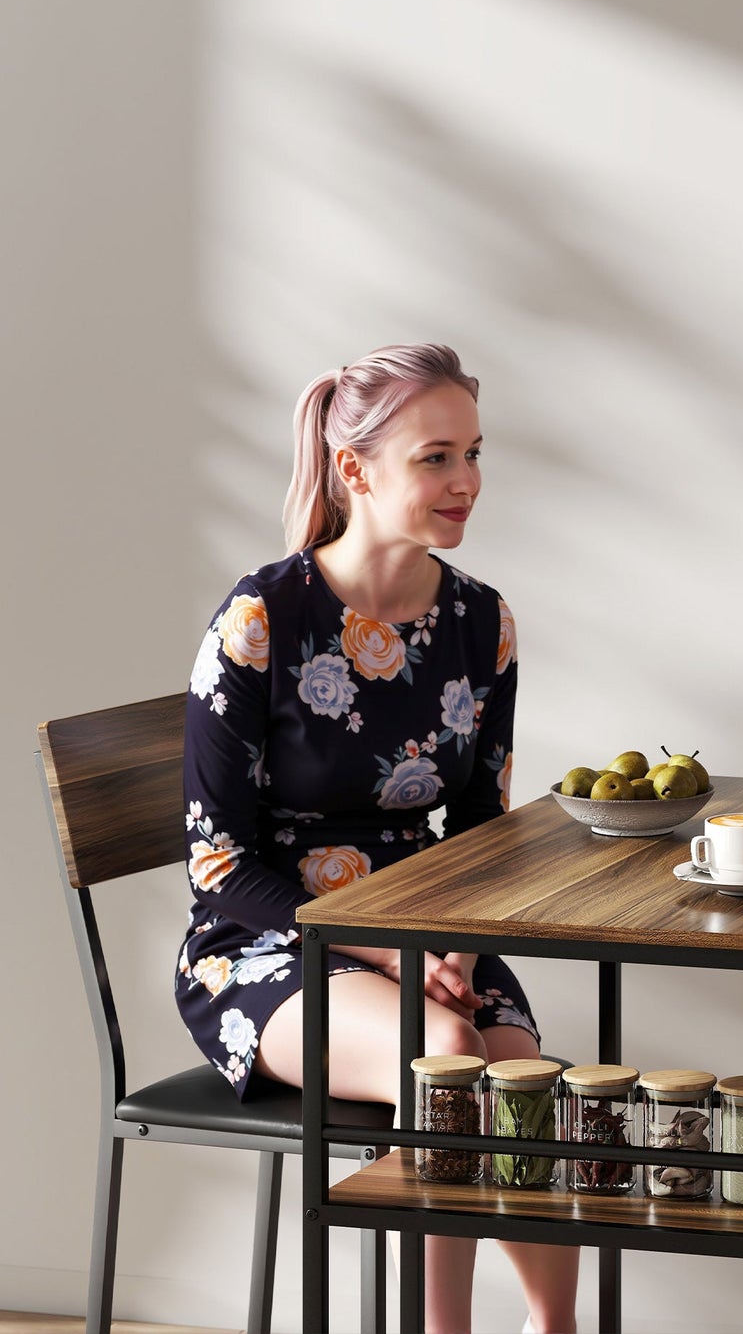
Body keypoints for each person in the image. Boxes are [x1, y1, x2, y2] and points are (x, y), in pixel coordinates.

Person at [176, 344, 578, 1334]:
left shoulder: (481, 622)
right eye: (435, 456)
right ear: (355, 470)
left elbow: (480, 822)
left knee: (523, 1082)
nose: (466, 481)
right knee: (449, 1053)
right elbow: (218, 864)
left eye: (473, 453)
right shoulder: (261, 617)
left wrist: (456, 945)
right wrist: (390, 946)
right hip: (271, 944)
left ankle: (557, 1325)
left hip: (434, 937)